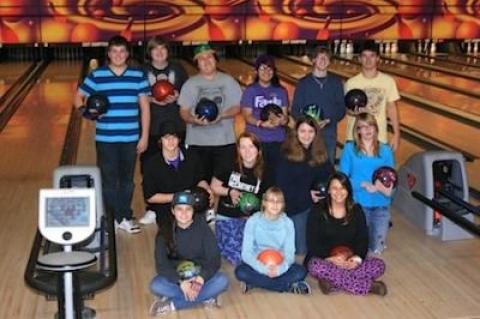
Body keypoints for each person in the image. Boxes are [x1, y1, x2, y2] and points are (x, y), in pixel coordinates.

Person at [73, 35, 150, 234]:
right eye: (114, 51)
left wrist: (145, 136)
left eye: (122, 51)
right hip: (105, 139)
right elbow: (78, 97)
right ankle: (110, 217)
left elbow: (145, 108)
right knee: (108, 180)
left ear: (127, 54)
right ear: (108, 54)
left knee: (127, 180)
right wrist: (85, 112)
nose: (118, 55)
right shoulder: (97, 75)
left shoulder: (137, 75)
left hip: (130, 138)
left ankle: (123, 216)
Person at [305, 172, 387, 296]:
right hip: (325, 260)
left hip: (349, 260)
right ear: (328, 191)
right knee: (315, 266)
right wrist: (330, 258)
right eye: (334, 188)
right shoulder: (317, 210)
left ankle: (332, 281)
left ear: (348, 190)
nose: (338, 192)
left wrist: (356, 259)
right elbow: (312, 243)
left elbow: (363, 239)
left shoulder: (357, 210)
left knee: (379, 265)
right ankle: (368, 287)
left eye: (342, 188)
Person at [149, 192, 229, 315]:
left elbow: (214, 259)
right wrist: (181, 282)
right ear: (172, 211)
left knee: (222, 281)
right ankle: (206, 297)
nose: (184, 213)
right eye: (179, 209)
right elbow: (161, 265)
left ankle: (172, 304)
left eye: (188, 209)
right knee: (156, 285)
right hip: (179, 280)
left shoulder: (203, 229)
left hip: (200, 278)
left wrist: (201, 279)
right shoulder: (164, 232)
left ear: (193, 211)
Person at [140, 36, 189, 225]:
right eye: (155, 49)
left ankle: (182, 205)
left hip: (177, 126)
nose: (159, 53)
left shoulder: (178, 69)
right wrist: (152, 100)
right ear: (149, 52)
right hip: (151, 127)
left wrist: (177, 96)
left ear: (168, 51)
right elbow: (137, 95)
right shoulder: (142, 71)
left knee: (178, 166)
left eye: (163, 49)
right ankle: (152, 208)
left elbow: (189, 94)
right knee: (150, 168)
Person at [178, 43, 242, 183]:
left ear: (215, 59)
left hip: (224, 143)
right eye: (201, 59)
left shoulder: (228, 81)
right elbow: (183, 112)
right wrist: (194, 120)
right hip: (197, 144)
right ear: (197, 64)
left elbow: (237, 107)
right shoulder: (190, 84)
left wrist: (222, 115)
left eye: (209, 57)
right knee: (200, 186)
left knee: (224, 185)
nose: (206, 61)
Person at [210, 132, 273, 265]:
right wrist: (230, 191)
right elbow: (214, 186)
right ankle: (222, 242)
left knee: (262, 251)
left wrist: (256, 214)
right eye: (243, 147)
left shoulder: (266, 170)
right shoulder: (228, 164)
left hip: (252, 219)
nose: (247, 151)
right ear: (238, 150)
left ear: (258, 150)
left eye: (251, 147)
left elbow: (268, 199)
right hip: (228, 216)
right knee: (238, 256)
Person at [235, 187, 311, 295]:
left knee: (301, 272)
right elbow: (246, 254)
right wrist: (264, 269)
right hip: (259, 263)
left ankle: (256, 283)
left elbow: (289, 254)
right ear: (264, 203)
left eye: (278, 201)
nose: (275, 205)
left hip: (279, 263)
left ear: (283, 204)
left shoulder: (288, 223)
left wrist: (279, 269)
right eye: (271, 201)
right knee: (240, 272)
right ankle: (287, 286)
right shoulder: (253, 221)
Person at [276, 116, 334, 255]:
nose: (307, 135)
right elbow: (282, 186)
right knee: (301, 250)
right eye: (302, 131)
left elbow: (330, 176)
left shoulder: (320, 152)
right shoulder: (286, 153)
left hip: (317, 204)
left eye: (310, 131)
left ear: (316, 133)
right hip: (295, 206)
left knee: (322, 245)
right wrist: (308, 195)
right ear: (296, 132)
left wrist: (327, 193)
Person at [142, 121, 212, 235]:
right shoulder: (151, 164)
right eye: (166, 138)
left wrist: (206, 190)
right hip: (166, 209)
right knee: (172, 240)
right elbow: (150, 197)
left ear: (179, 139)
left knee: (199, 235)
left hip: (192, 205)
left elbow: (200, 179)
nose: (170, 141)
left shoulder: (192, 157)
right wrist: (179, 197)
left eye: (174, 137)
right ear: (160, 140)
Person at [339, 113, 395, 255]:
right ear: (357, 130)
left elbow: (392, 179)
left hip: (381, 204)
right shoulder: (349, 149)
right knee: (360, 248)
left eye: (370, 126)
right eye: (362, 127)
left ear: (376, 128)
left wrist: (379, 188)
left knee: (377, 249)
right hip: (359, 204)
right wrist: (363, 184)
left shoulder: (385, 150)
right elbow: (342, 179)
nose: (367, 130)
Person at [291, 46, 345, 164]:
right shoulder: (303, 83)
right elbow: (295, 109)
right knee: (306, 165)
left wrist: (329, 120)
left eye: (326, 58)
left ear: (330, 61)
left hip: (329, 132)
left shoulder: (336, 82)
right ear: (313, 60)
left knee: (327, 167)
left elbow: (341, 108)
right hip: (307, 133)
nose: (323, 60)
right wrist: (308, 123)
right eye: (320, 57)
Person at [344, 40, 401, 152]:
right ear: (359, 59)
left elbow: (392, 108)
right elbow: (345, 109)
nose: (368, 60)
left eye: (372, 56)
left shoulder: (388, 81)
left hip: (379, 138)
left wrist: (397, 134)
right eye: (364, 56)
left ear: (378, 58)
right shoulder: (351, 83)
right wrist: (353, 112)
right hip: (354, 139)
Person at [240, 54, 289, 172]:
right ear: (256, 71)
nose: (266, 71)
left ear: (274, 71)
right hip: (256, 141)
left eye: (269, 68)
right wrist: (261, 123)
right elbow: (247, 116)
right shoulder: (250, 90)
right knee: (257, 174)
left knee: (275, 175)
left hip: (277, 141)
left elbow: (285, 116)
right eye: (262, 68)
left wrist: (282, 120)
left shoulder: (281, 91)